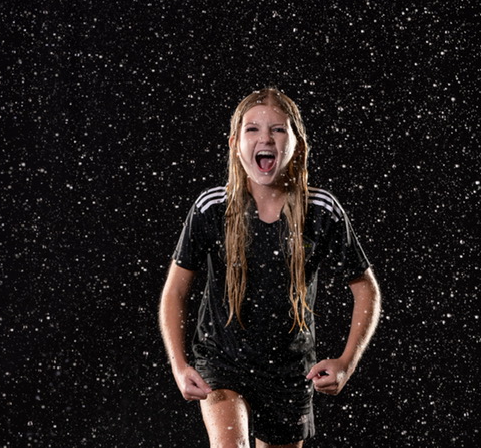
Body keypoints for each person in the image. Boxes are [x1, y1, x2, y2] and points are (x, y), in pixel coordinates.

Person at [159, 87, 381, 448]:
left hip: (289, 371)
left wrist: (346, 362)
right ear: (235, 143)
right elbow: (175, 291)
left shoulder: (321, 210)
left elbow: (366, 289)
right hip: (222, 360)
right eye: (253, 129)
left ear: (297, 144)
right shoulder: (212, 207)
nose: (265, 138)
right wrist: (179, 364)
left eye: (278, 129)